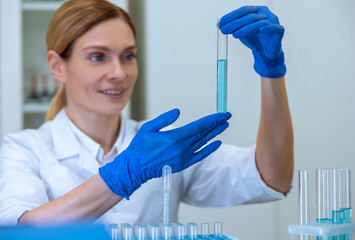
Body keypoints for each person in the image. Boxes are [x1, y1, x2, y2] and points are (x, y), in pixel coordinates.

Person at [0, 0, 293, 226]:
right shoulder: (24, 150)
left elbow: (271, 177)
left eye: (128, 56)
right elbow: (22, 232)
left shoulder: (163, 148)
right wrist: (122, 175)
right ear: (56, 65)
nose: (118, 73)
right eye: (97, 57)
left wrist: (271, 72)